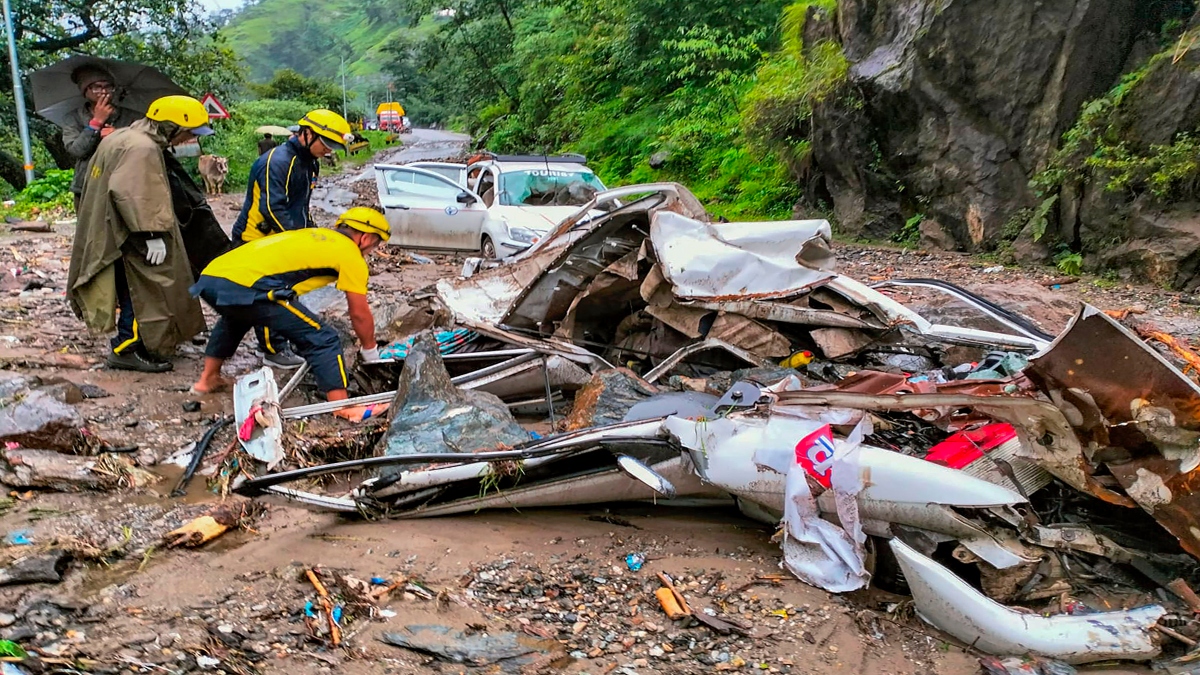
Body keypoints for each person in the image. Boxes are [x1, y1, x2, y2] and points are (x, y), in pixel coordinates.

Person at [190, 208, 390, 421]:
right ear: (365, 237)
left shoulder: (314, 235)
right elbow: (359, 313)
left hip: (211, 276)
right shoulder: (350, 254)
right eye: (375, 244)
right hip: (249, 286)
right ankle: (342, 407)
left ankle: (207, 380)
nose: (372, 249)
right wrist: (370, 351)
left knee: (236, 317)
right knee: (323, 338)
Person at [67, 95, 213, 373]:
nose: (188, 140)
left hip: (112, 226)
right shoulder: (142, 148)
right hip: (130, 231)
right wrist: (150, 233)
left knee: (128, 286)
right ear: (171, 127)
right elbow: (132, 193)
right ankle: (126, 347)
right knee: (142, 288)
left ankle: (144, 341)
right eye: (188, 133)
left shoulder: (125, 136)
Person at [229, 109, 353, 369]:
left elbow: (301, 205)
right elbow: (272, 208)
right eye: (326, 143)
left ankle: (274, 339)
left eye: (334, 146)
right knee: (267, 295)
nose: (329, 150)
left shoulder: (310, 162)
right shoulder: (277, 161)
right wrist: (297, 241)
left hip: (284, 237)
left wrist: (314, 235)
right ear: (306, 134)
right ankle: (272, 350)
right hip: (257, 238)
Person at [60, 65, 135, 210]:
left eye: (108, 87)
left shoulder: (130, 116)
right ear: (85, 91)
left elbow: (142, 144)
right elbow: (76, 150)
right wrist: (96, 123)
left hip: (123, 183)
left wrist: (119, 135)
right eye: (96, 87)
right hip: (87, 184)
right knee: (89, 230)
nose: (103, 92)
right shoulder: (73, 118)